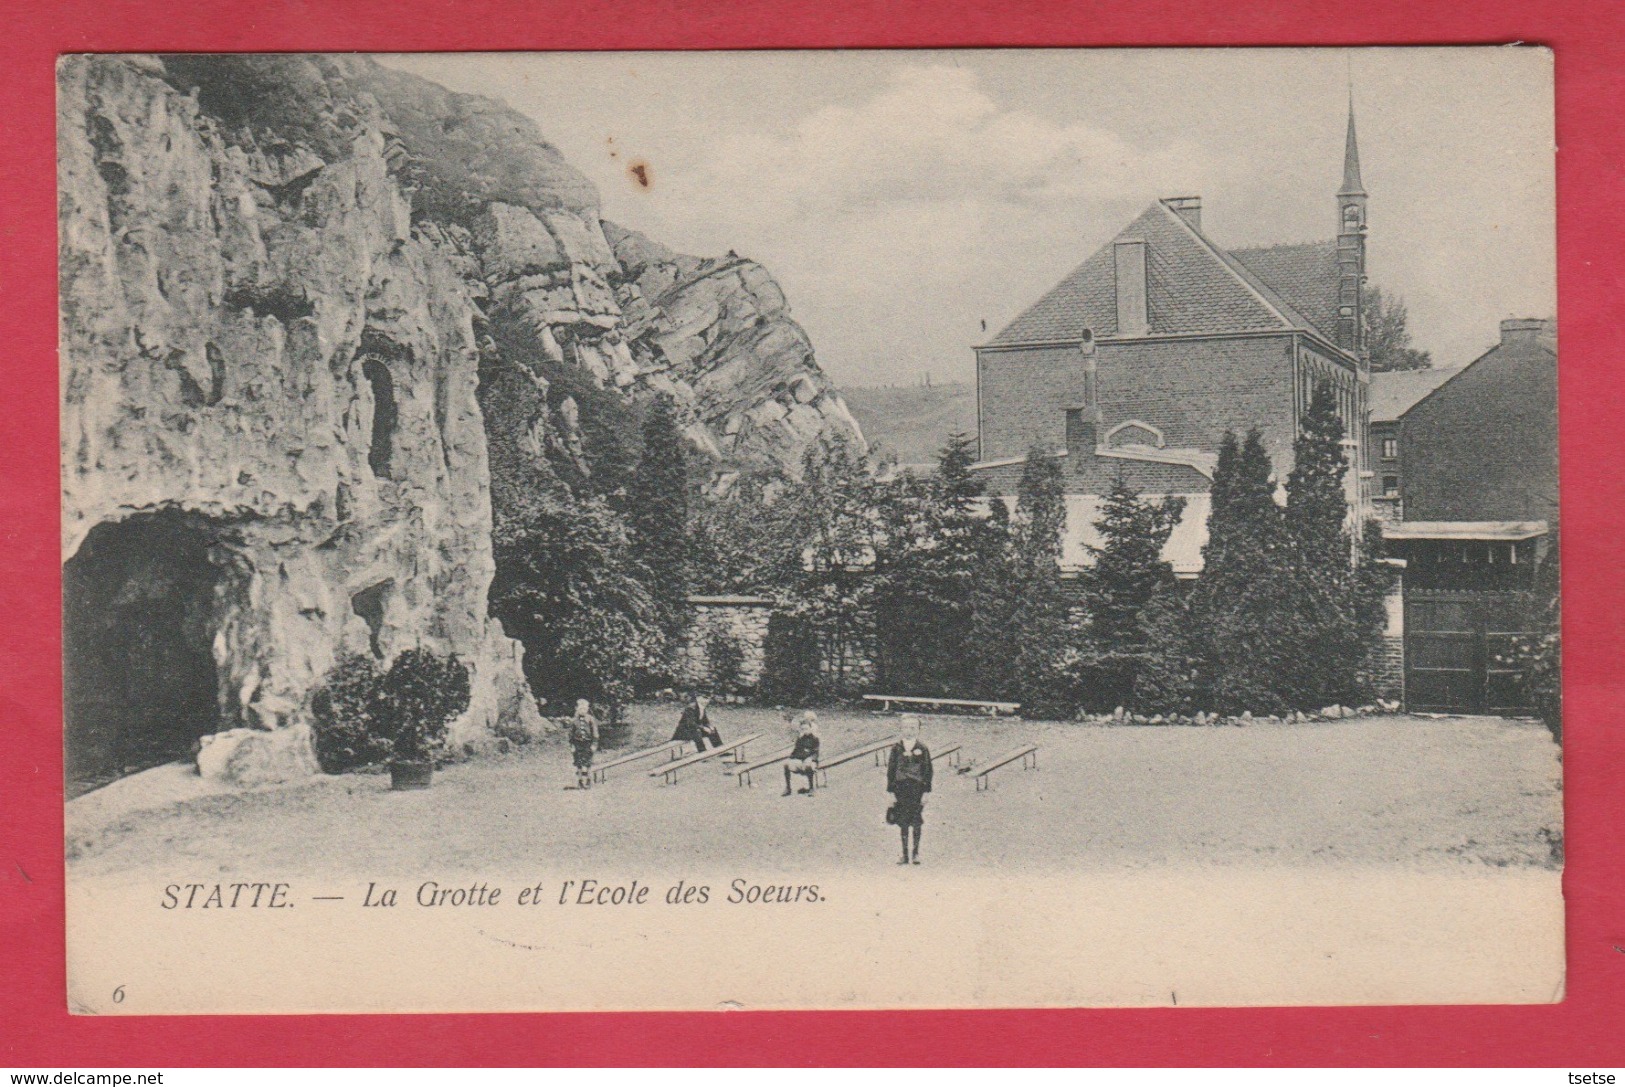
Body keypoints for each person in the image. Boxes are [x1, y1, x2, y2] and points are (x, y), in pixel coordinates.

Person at [886, 715, 933, 865]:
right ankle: (904, 854)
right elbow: (891, 770)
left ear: (918, 730)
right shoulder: (896, 748)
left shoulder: (922, 748)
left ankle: (916, 853)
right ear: (901, 729)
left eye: (913, 728)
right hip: (901, 789)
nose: (909, 731)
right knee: (903, 821)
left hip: (916, 789)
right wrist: (891, 792)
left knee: (916, 820)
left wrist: (926, 791)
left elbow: (928, 770)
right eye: (906, 727)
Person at [782, 712, 821, 796]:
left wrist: (810, 758)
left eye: (806, 729)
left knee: (808, 765)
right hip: (800, 760)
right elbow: (796, 751)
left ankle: (811, 788)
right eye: (803, 729)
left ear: (810, 729)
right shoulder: (800, 739)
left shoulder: (815, 739)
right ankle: (788, 788)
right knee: (786, 764)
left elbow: (815, 753)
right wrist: (792, 757)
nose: (804, 731)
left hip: (811, 761)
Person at [567, 698, 599, 790]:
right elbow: (570, 734)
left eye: (584, 709)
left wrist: (594, 744)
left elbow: (595, 733)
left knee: (588, 762)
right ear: (577, 709)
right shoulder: (574, 720)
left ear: (587, 709)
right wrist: (572, 745)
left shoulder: (590, 719)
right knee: (579, 763)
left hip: (588, 744)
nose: (582, 711)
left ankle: (589, 780)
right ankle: (580, 781)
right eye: (580, 709)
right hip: (577, 744)